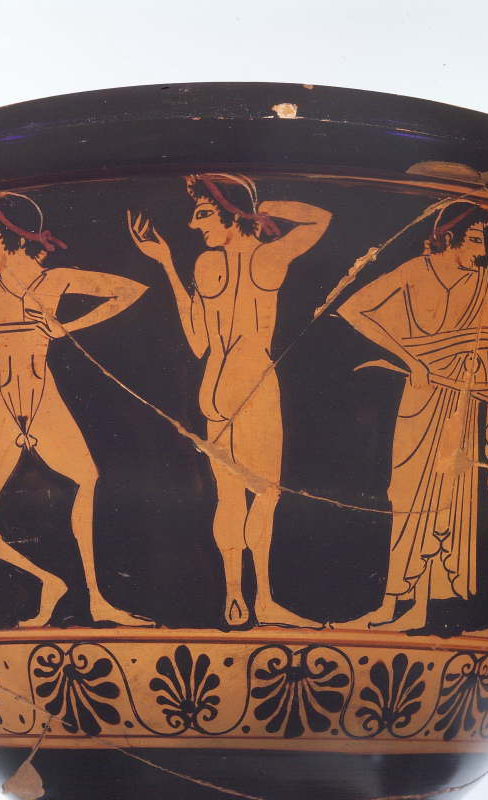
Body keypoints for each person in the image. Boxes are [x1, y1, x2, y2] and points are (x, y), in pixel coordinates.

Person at [128, 173, 331, 627]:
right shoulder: (269, 259)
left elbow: (199, 343)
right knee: (267, 494)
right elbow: (320, 220)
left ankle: (234, 599)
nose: (193, 224)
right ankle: (264, 600)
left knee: (230, 496)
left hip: (213, 389)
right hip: (254, 383)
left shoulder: (205, 266)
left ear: (232, 213)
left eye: (203, 213)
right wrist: (266, 209)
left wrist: (168, 265)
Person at [0, 191, 154, 628]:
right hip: (6, 403)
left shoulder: (55, 281)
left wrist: (65, 327)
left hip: (43, 400)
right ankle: (46, 581)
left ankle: (96, 601)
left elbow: (129, 290)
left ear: (17, 238)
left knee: (87, 481)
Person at [333, 200, 488, 632]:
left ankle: (427, 607)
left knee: (451, 503)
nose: (482, 249)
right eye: (475, 239)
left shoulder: (482, 287)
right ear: (449, 237)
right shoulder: (415, 271)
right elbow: (353, 309)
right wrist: (412, 359)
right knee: (407, 496)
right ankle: (395, 602)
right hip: (422, 398)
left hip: (463, 405)